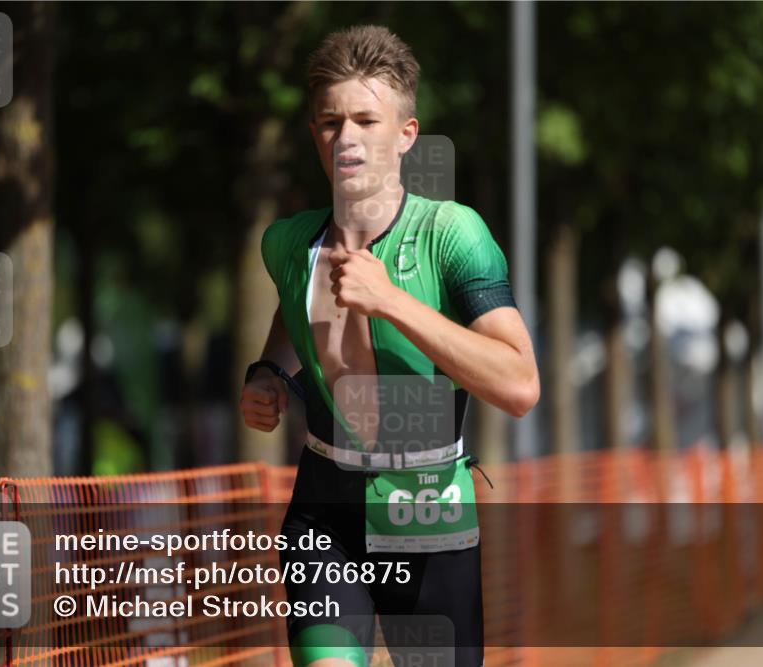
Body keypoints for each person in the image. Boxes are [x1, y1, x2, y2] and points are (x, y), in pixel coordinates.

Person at [240, 24, 540, 667]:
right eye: (329, 122)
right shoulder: (288, 244)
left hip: (426, 501)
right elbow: (295, 313)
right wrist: (269, 372)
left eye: (366, 120)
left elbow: (520, 386)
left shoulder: (452, 234)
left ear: (405, 134)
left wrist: (391, 301)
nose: (346, 138)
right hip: (325, 507)